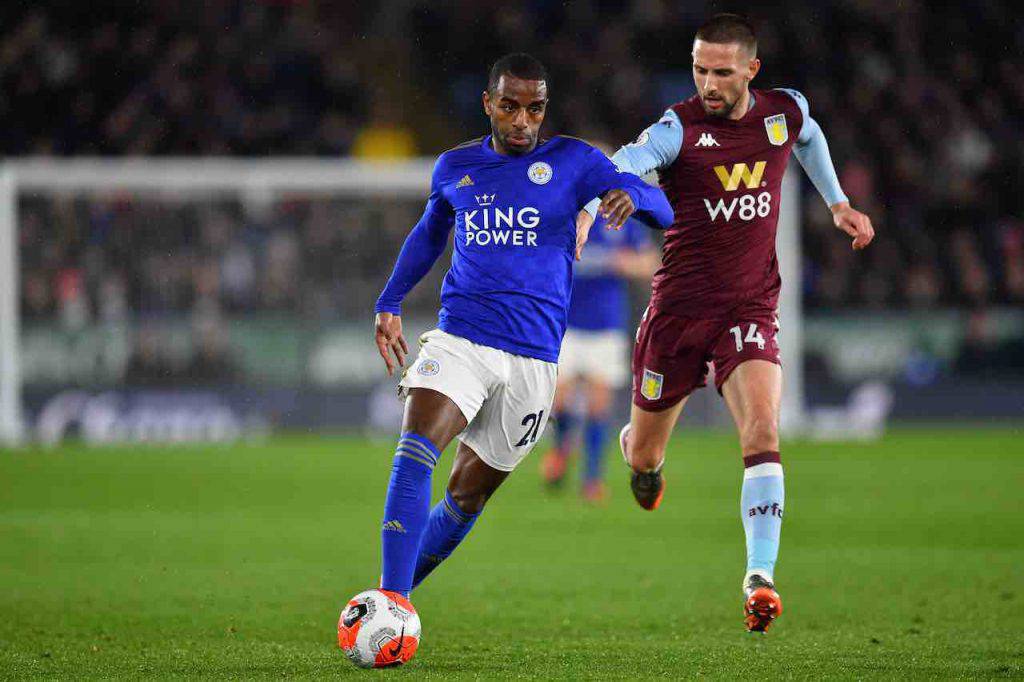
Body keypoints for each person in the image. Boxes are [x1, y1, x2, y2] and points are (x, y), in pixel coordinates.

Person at [576, 14, 875, 632]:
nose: (708, 83)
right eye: (699, 70)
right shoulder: (678, 128)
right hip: (677, 315)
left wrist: (838, 202)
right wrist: (611, 189)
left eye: (720, 72)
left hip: (749, 307)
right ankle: (643, 462)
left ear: (751, 70)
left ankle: (758, 577)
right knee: (645, 454)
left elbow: (811, 138)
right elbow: (634, 156)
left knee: (763, 428)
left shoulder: (782, 113)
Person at [371, 54, 673, 607]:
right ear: (489, 103)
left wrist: (636, 196)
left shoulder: (576, 161)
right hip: (461, 338)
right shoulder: (455, 167)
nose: (522, 121)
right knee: (415, 450)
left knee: (466, 495)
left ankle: (394, 598)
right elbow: (428, 235)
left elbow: (664, 205)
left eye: (534, 109)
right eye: (509, 106)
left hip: (534, 359)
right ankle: (391, 600)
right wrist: (389, 300)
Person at [541, 204, 659, 502]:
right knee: (559, 397)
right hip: (566, 324)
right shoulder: (567, 216)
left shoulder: (622, 222)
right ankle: (561, 448)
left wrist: (622, 263)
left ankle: (592, 478)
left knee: (598, 405)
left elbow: (650, 263)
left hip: (607, 326)